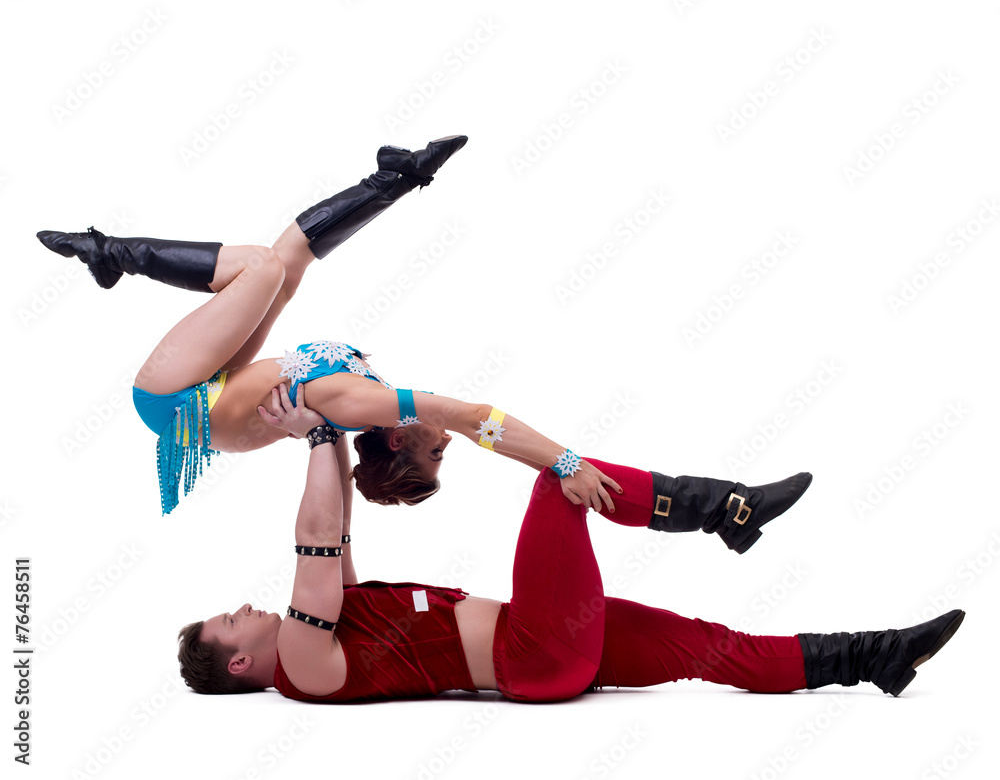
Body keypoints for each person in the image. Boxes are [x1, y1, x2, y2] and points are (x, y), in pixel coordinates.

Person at [37, 134, 808, 525]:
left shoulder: (361, 406)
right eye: (443, 453)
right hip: (219, 393)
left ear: (401, 444)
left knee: (265, 269)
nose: (446, 445)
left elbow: (475, 417)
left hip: (177, 403)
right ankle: (394, 175)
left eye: (434, 454)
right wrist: (403, 186)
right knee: (281, 264)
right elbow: (304, 249)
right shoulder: (367, 401)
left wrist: (566, 459)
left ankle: (111, 254)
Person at [177, 387, 963, 703]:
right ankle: (725, 508)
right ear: (240, 661)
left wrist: (327, 431)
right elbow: (315, 536)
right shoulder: (305, 664)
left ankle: (873, 657)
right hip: (534, 650)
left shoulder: (325, 627)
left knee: (710, 645)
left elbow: (337, 526)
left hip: (551, 645)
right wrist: (315, 431)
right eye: (231, 620)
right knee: (560, 481)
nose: (244, 608)